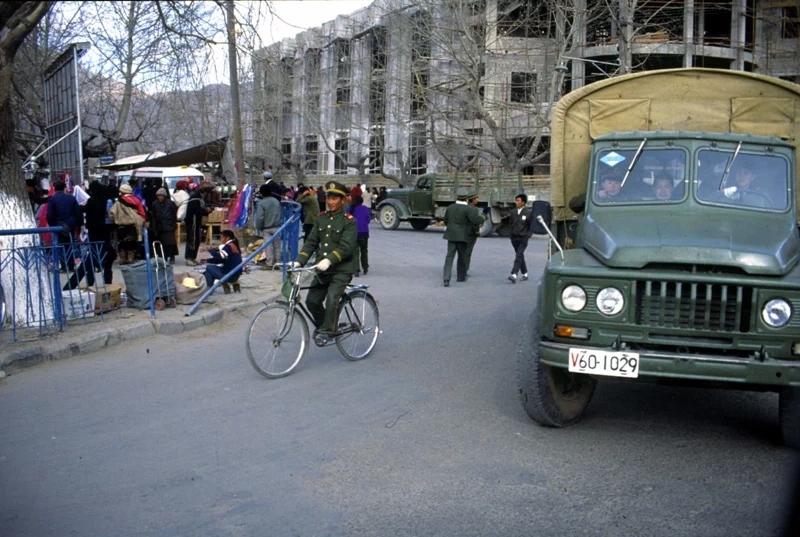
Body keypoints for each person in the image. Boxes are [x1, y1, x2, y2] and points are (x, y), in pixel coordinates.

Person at [294, 181, 357, 343]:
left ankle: (329, 330)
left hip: (342, 269)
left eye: (335, 198)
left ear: (342, 200)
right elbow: (311, 242)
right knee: (311, 301)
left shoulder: (349, 221)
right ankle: (326, 326)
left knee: (331, 298)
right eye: (329, 198)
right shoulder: (321, 219)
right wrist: (299, 262)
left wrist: (330, 259)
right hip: (323, 269)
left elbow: (347, 246)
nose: (330, 202)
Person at [442, 188, 484, 287]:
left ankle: (446, 278)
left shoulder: (450, 207)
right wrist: (484, 217)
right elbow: (475, 221)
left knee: (449, 256)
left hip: (451, 235)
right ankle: (461, 277)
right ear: (466, 198)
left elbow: (446, 221)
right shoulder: (468, 209)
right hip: (463, 236)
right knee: (462, 256)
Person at [82, 181, 116, 285]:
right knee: (107, 256)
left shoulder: (91, 201)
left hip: (93, 231)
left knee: (92, 256)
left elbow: (86, 211)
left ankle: (90, 281)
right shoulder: (106, 201)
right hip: (104, 231)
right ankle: (107, 281)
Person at [108, 184, 146, 264]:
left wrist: (114, 221)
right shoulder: (136, 200)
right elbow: (142, 214)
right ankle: (130, 259)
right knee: (132, 244)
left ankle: (122, 259)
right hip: (133, 226)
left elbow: (111, 213)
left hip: (121, 226)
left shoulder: (118, 202)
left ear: (122, 192)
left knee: (121, 243)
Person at [254, 184, 283, 268]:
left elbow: (260, 217)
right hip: (277, 226)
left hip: (267, 228)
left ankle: (269, 264)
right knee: (277, 246)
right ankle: (277, 263)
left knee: (268, 247)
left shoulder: (261, 203)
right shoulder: (276, 201)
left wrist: (259, 227)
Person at [507, 193, 532, 284]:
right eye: (516, 200)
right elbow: (510, 224)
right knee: (520, 255)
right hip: (514, 238)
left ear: (523, 202)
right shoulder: (513, 212)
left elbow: (531, 226)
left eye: (518, 201)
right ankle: (525, 273)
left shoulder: (528, 212)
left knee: (518, 255)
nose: (516, 202)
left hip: (523, 238)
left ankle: (514, 274)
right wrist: (510, 235)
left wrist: (528, 235)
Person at [183, 184, 209, 266]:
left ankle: (193, 257)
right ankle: (188, 258)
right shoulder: (195, 198)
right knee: (192, 239)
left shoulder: (200, 198)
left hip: (197, 222)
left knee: (197, 240)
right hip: (192, 223)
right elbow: (196, 210)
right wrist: (206, 211)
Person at [150, 188, 179, 263]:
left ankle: (172, 256)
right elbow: (153, 216)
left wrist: (173, 223)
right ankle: (163, 257)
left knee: (170, 242)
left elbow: (174, 213)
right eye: (159, 196)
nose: (160, 197)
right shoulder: (154, 203)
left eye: (161, 195)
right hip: (159, 226)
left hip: (169, 225)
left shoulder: (170, 203)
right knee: (162, 242)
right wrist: (154, 226)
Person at [348, 195, 370, 276]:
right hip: (364, 232)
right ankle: (365, 267)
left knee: (355, 252)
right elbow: (368, 219)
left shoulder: (350, 210)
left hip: (354, 233)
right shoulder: (365, 208)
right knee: (364, 251)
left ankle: (356, 269)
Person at [464, 192, 484, 276]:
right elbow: (475, 223)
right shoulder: (474, 209)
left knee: (462, 252)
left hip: (463, 233)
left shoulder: (464, 208)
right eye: (476, 198)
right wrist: (477, 233)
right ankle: (464, 270)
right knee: (468, 253)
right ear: (473, 199)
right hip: (471, 234)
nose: (477, 200)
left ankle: (461, 268)